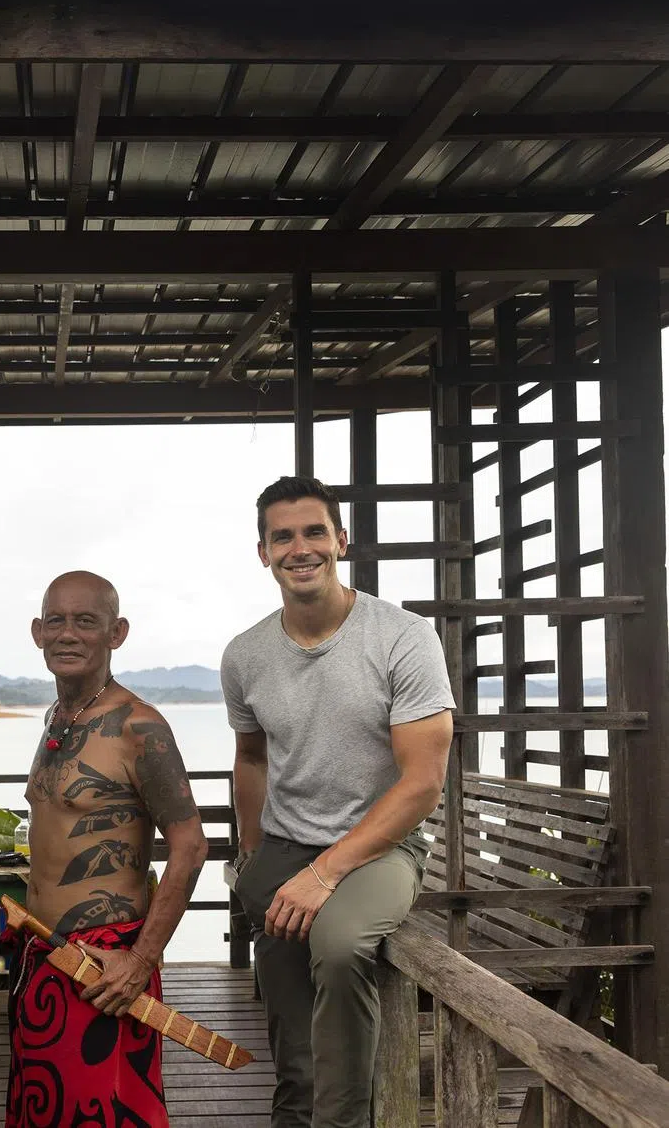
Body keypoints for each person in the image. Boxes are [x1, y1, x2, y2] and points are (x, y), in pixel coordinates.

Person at [222, 476, 454, 1128]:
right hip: (287, 843)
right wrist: (252, 856)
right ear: (263, 552)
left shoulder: (405, 638)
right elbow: (252, 757)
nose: (301, 548)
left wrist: (325, 872)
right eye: (283, 536)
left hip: (384, 843)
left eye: (314, 532)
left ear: (341, 541)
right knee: (286, 988)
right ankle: (295, 1116)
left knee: (342, 943)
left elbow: (422, 783)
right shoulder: (245, 655)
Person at [7, 571, 209, 1128]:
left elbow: (190, 847)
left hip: (108, 966)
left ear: (116, 633)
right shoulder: (57, 717)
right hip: (43, 953)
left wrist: (140, 960)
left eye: (85, 622)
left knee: (106, 1112)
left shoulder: (141, 727)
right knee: (45, 1111)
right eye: (55, 621)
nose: (67, 634)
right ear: (36, 631)